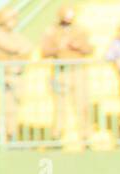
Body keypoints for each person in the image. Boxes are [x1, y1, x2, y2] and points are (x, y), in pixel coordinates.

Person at [40, 5, 94, 144]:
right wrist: (59, 47)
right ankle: (57, 135)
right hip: (60, 71)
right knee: (60, 105)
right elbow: (44, 51)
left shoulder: (81, 30)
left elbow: (90, 48)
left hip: (78, 70)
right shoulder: (51, 31)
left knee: (82, 103)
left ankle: (85, 135)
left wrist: (79, 46)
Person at [0, 7, 32, 143]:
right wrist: (17, 52)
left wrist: (18, 53)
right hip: (1, 77)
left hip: (12, 77)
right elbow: (12, 47)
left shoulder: (14, 35)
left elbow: (28, 47)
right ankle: (1, 136)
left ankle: (11, 135)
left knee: (12, 107)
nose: (13, 21)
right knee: (0, 108)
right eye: (10, 18)